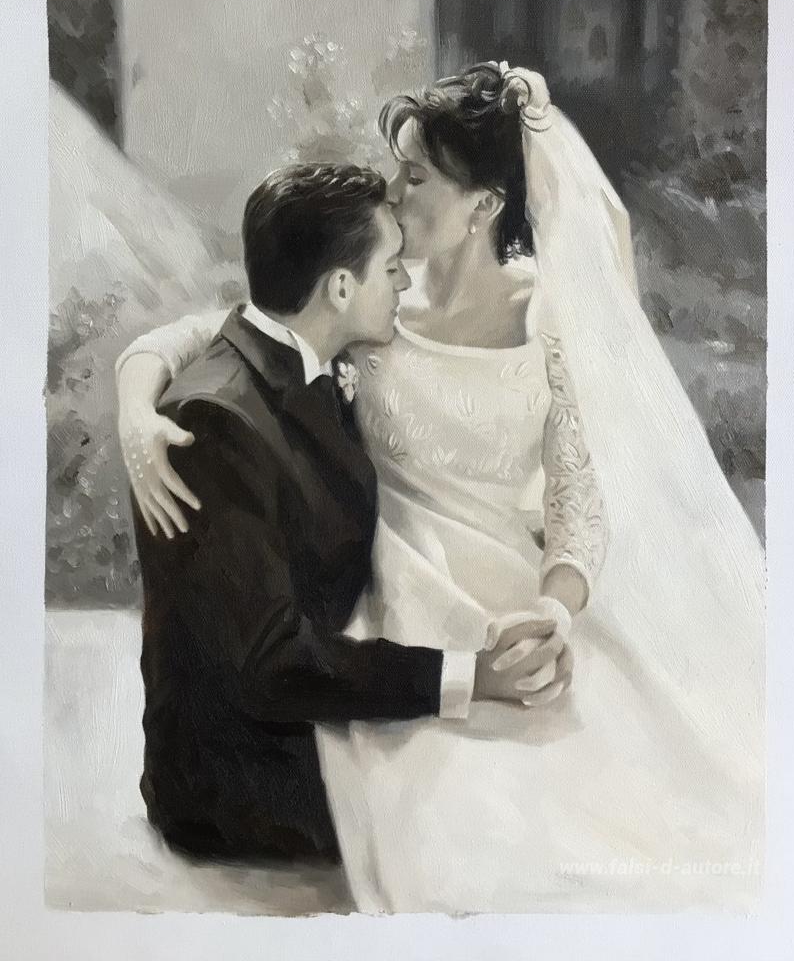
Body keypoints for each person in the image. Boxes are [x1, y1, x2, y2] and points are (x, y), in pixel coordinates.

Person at [117, 63, 765, 912]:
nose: (393, 192)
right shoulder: (373, 293)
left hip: (510, 584)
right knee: (458, 812)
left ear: (482, 206)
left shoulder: (548, 318)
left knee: (622, 797)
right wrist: (135, 409)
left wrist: (556, 607)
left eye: (416, 176)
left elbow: (576, 503)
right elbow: (228, 331)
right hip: (393, 592)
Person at [128, 161, 565, 863]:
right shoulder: (215, 424)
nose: (404, 285)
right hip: (246, 775)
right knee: (509, 810)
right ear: (338, 287)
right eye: (390, 269)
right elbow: (268, 665)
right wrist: (466, 675)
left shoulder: (307, 355)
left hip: (316, 703)